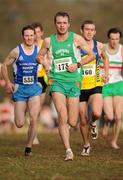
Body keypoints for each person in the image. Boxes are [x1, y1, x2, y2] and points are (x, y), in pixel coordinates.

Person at [36, 11, 95, 161]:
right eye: (59, 23)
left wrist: (77, 64)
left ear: (68, 24)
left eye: (64, 23)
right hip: (56, 82)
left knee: (72, 121)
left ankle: (68, 129)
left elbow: (91, 55)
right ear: (55, 24)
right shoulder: (49, 41)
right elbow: (39, 56)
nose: (61, 25)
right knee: (62, 115)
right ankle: (68, 150)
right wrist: (44, 62)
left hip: (73, 81)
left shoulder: (76, 38)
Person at [2, 25, 42, 156]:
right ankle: (22, 114)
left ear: (35, 36)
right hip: (20, 89)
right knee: (19, 123)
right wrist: (8, 82)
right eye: (27, 35)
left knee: (34, 118)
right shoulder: (16, 51)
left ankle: (29, 147)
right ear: (23, 36)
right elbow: (3, 65)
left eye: (32, 35)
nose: (29, 38)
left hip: (34, 88)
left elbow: (48, 62)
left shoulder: (39, 50)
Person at [79, 20, 109, 156]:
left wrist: (106, 73)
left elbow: (106, 58)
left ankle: (93, 123)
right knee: (82, 118)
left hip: (96, 83)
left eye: (92, 29)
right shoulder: (75, 45)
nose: (89, 32)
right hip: (79, 85)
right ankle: (86, 144)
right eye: (87, 29)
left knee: (96, 113)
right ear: (82, 31)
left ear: (95, 32)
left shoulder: (99, 45)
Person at [101, 27, 123, 149]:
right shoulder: (102, 48)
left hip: (119, 84)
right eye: (112, 39)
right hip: (106, 85)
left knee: (118, 116)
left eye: (117, 39)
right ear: (108, 38)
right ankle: (107, 121)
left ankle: (114, 141)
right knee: (110, 116)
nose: (114, 41)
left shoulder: (122, 50)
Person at [31, 22, 48, 145]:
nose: (35, 35)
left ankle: (34, 133)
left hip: (42, 78)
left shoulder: (46, 44)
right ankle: (33, 134)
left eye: (37, 32)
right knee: (33, 109)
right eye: (33, 32)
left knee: (38, 108)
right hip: (31, 78)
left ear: (41, 32)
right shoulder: (29, 45)